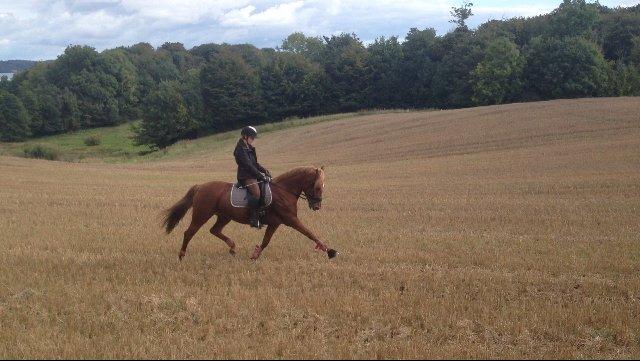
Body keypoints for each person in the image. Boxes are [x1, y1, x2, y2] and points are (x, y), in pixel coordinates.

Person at [234, 126, 272, 228]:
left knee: (265, 187)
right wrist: (261, 176)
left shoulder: (249, 148)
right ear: (245, 136)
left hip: (252, 174)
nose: (253, 139)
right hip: (245, 176)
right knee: (256, 193)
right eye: (252, 137)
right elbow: (248, 166)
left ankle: (262, 212)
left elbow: (254, 164)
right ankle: (253, 219)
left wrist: (265, 171)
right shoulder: (240, 150)